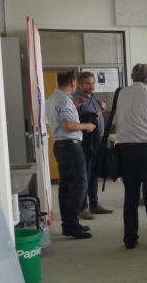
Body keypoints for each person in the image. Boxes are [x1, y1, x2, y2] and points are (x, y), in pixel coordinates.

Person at [114, 64, 147, 250]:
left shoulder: (121, 93)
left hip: (126, 150)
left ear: (133, 76)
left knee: (130, 196)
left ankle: (129, 239)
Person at [45, 70, 95, 239]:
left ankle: (68, 224)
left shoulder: (53, 99)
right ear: (73, 82)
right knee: (80, 183)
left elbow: (57, 119)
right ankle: (72, 223)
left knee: (66, 185)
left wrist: (75, 106)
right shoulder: (64, 100)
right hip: (71, 145)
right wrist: (87, 126)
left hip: (60, 145)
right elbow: (68, 125)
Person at [74, 72, 114, 220]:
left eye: (93, 83)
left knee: (92, 174)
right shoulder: (77, 99)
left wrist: (101, 107)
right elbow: (75, 119)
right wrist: (94, 115)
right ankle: (82, 207)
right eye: (87, 83)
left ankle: (94, 204)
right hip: (85, 142)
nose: (91, 86)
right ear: (80, 84)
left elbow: (96, 114)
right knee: (84, 175)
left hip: (96, 141)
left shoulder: (92, 97)